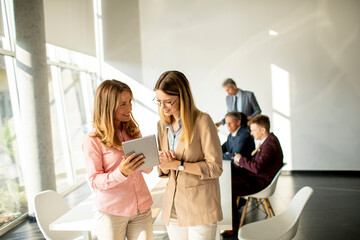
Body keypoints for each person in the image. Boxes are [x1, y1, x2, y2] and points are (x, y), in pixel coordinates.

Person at [154, 71, 223, 240]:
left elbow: (215, 168)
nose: (163, 108)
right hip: (173, 207)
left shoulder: (203, 121)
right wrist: (163, 164)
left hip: (199, 206)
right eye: (159, 101)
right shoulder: (163, 125)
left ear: (183, 96)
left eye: (168, 102)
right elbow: (166, 169)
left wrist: (177, 164)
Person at [82, 80, 153, 240]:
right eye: (123, 104)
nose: (129, 108)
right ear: (108, 106)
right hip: (111, 214)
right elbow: (94, 181)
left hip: (141, 209)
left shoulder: (132, 130)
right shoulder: (92, 140)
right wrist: (121, 172)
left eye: (129, 102)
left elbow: (147, 170)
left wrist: (151, 158)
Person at [221, 114, 283, 238]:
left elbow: (256, 167)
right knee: (227, 182)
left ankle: (232, 226)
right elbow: (256, 164)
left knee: (228, 187)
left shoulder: (269, 145)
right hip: (256, 177)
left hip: (260, 182)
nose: (252, 133)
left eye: (254, 130)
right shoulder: (269, 141)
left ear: (263, 130)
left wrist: (241, 159)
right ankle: (228, 220)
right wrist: (242, 160)